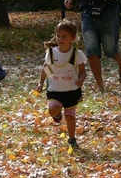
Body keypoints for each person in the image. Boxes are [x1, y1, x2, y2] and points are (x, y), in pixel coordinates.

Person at [36, 19, 87, 149]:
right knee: (52, 111)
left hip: (71, 91)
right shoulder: (52, 53)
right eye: (58, 36)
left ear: (73, 38)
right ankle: (57, 115)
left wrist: (81, 80)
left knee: (70, 117)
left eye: (64, 36)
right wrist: (41, 83)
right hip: (55, 90)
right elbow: (46, 68)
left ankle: (72, 138)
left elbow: (82, 72)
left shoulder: (77, 54)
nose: (60, 39)